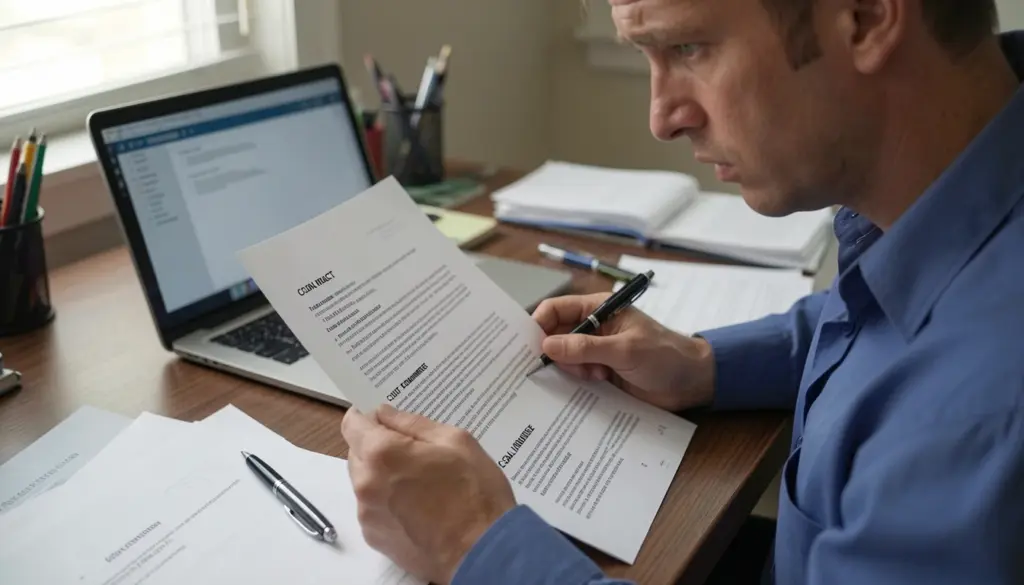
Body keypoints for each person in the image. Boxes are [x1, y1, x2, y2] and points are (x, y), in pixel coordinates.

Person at [340, 0, 1024, 583]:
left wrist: (473, 544)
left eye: (688, 46)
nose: (662, 118)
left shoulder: (974, 416)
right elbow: (876, 324)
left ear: (866, 16)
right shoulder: (945, 204)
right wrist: (705, 364)